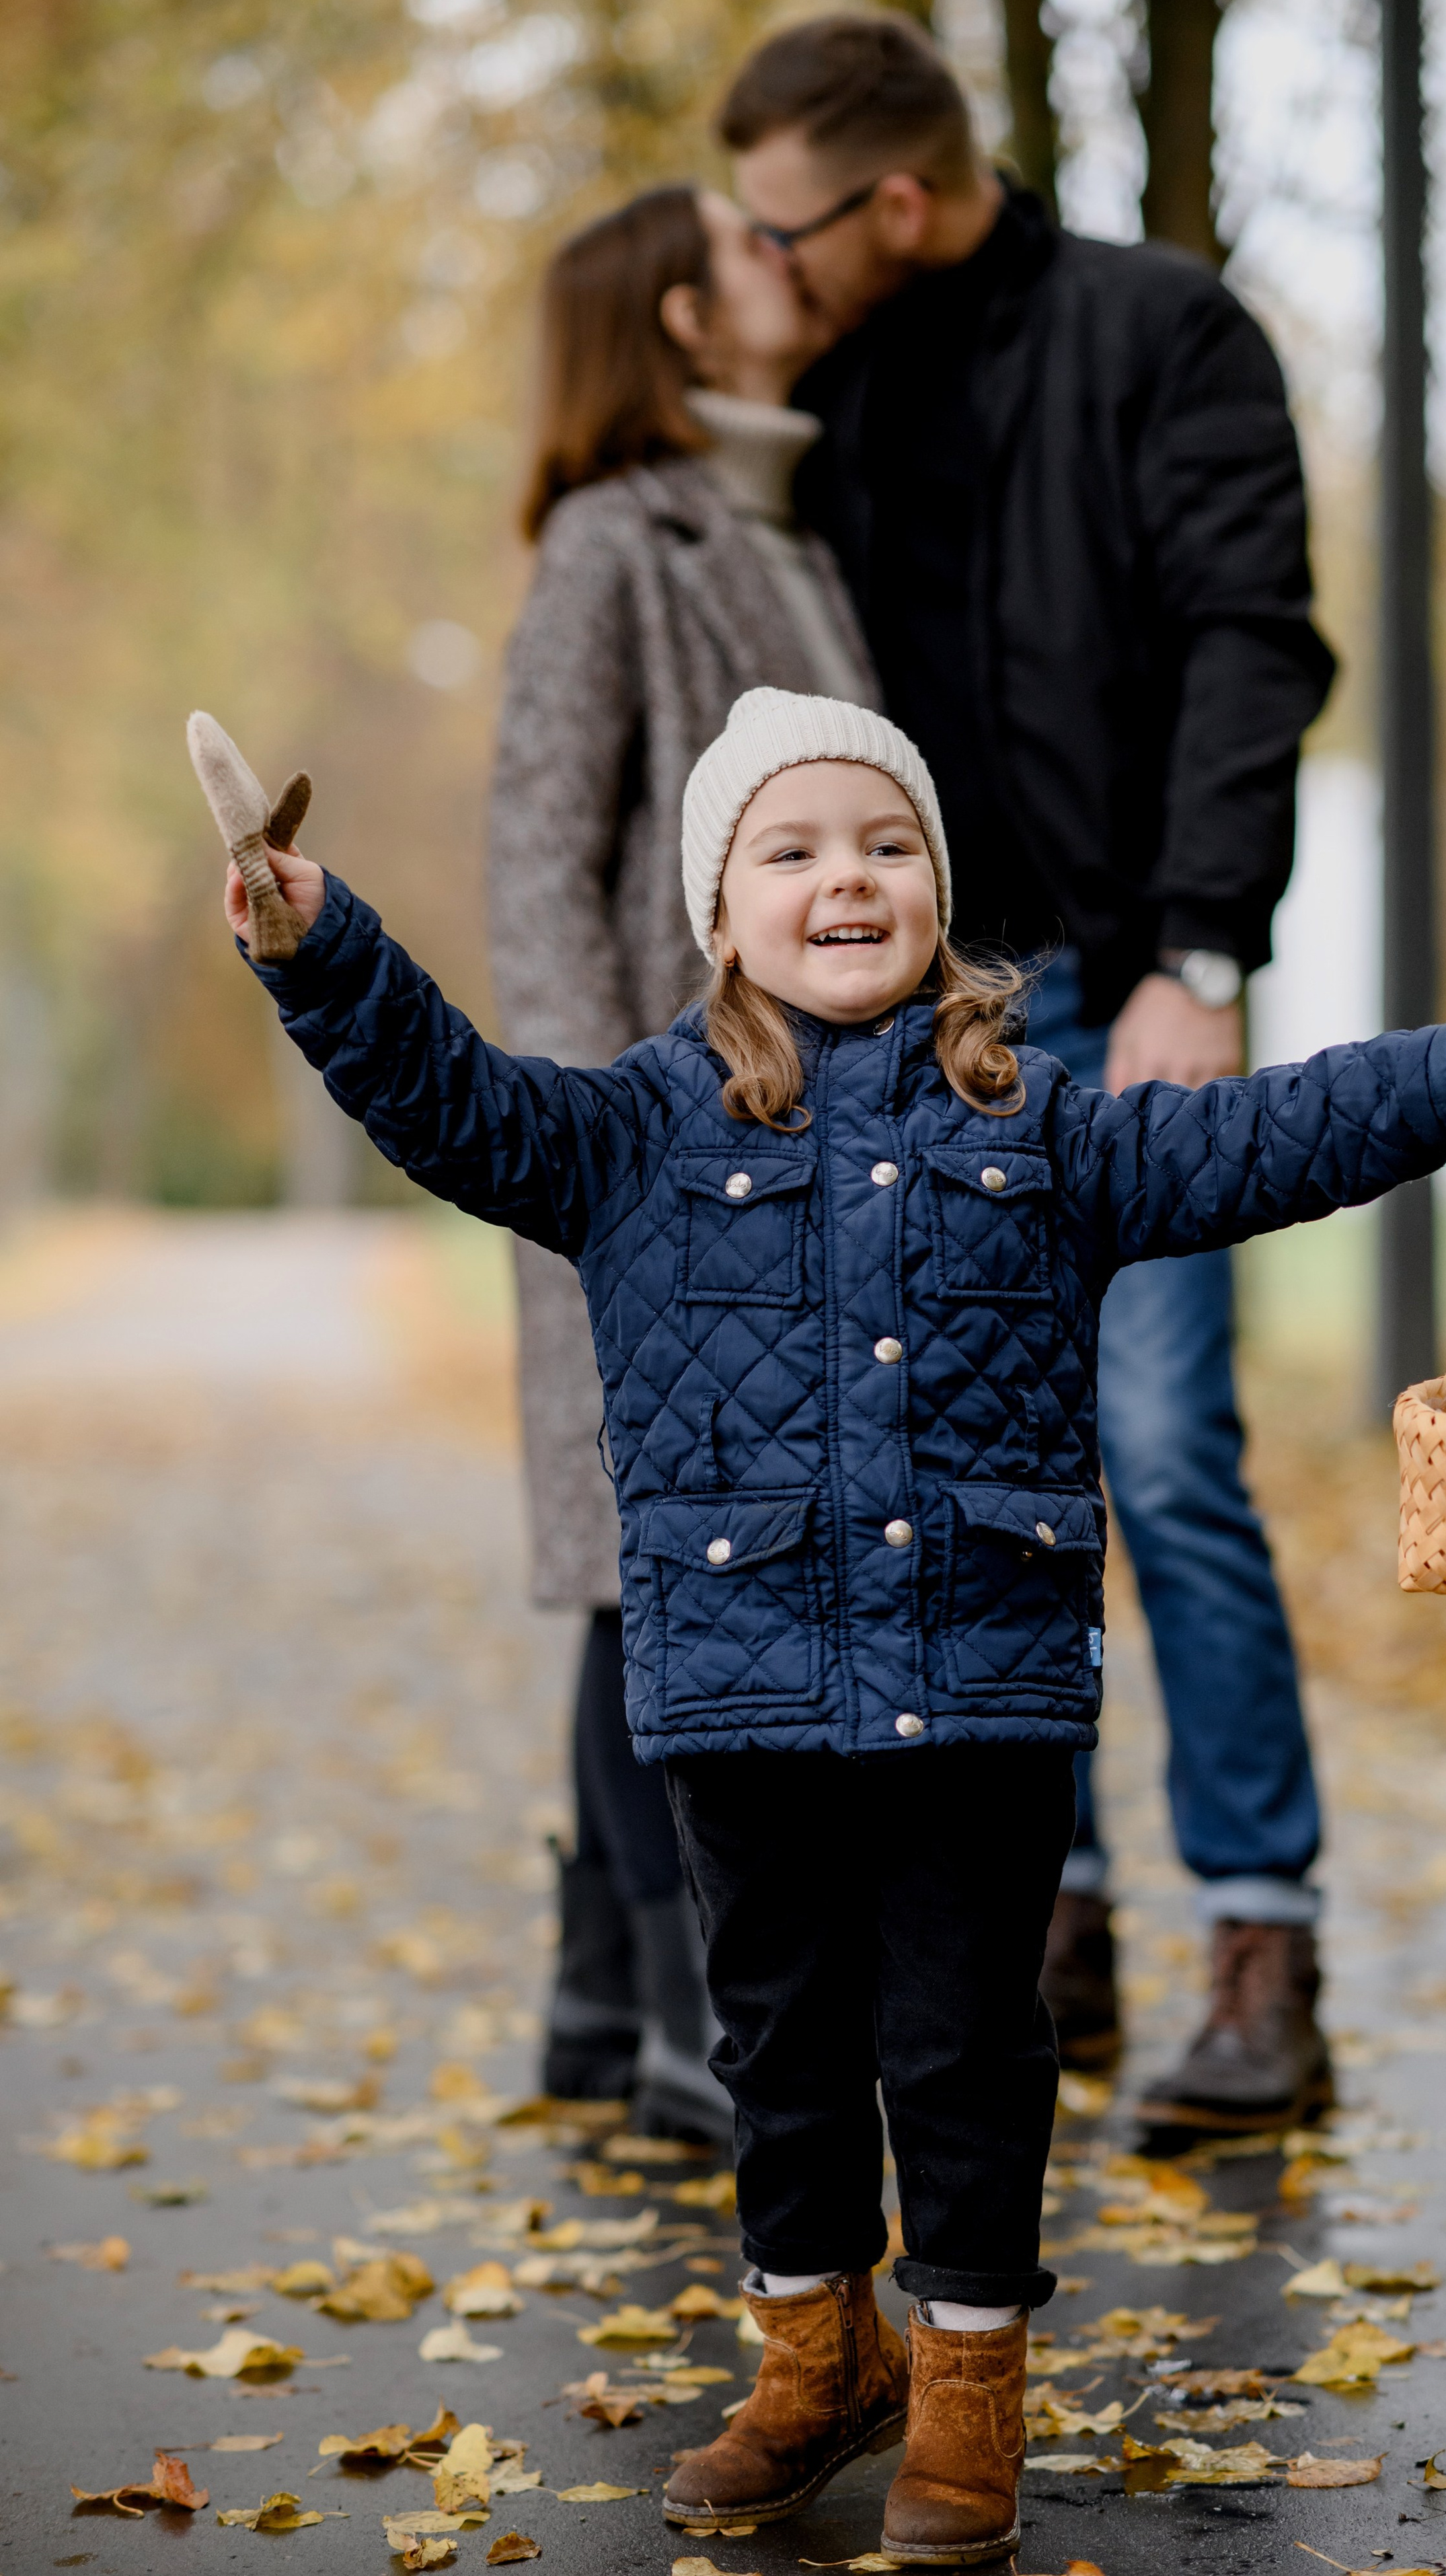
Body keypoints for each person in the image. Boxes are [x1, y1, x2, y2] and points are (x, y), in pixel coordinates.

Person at [226, 683, 1446, 2563]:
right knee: (774, 2046)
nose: (845, 876)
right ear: (720, 911)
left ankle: (965, 2395)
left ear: (938, 889)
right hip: (737, 1679)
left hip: (985, 1676)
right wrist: (320, 946)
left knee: (962, 2047)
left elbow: (1252, 1140)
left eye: (887, 844)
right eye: (792, 849)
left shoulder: (1043, 1128)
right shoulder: (627, 1134)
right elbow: (448, 1096)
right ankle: (812, 2359)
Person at [717, 15, 1340, 2147]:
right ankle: (1046, 1919)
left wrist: (1198, 950)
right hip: (902, 1034)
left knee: (1163, 1455)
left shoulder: (1165, 333)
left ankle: (1262, 1939)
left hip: (1115, 993)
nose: (770, 261)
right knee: (975, 1489)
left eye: (793, 226)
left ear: (893, 199)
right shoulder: (833, 390)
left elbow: (1256, 637)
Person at [487, 182, 875, 2137]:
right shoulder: (608, 539)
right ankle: (666, 2006)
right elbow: (543, 849)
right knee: (665, 1561)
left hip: (784, 1122)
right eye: (746, 243)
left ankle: (594, 1994)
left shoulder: (781, 524)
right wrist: (594, 1142)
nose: (782, 261)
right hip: (663, 1130)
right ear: (674, 313)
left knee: (676, 1546)